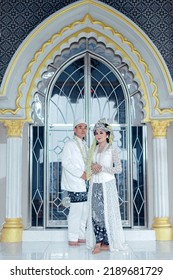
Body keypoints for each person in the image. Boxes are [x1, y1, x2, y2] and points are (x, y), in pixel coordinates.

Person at [86, 118, 126, 254]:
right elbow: (90, 166)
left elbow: (119, 169)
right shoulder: (94, 149)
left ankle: (108, 242)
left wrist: (102, 168)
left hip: (107, 184)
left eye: (101, 133)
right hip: (95, 184)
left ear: (107, 135)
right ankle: (98, 242)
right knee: (96, 213)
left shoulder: (112, 149)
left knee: (108, 212)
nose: (98, 135)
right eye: (96, 133)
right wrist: (93, 167)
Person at [61, 118, 88, 246]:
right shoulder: (69, 144)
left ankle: (81, 235)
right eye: (80, 127)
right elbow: (66, 163)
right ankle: (72, 238)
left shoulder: (85, 145)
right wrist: (80, 174)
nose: (83, 130)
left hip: (84, 183)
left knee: (84, 211)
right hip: (74, 182)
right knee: (76, 211)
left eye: (85, 127)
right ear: (74, 129)